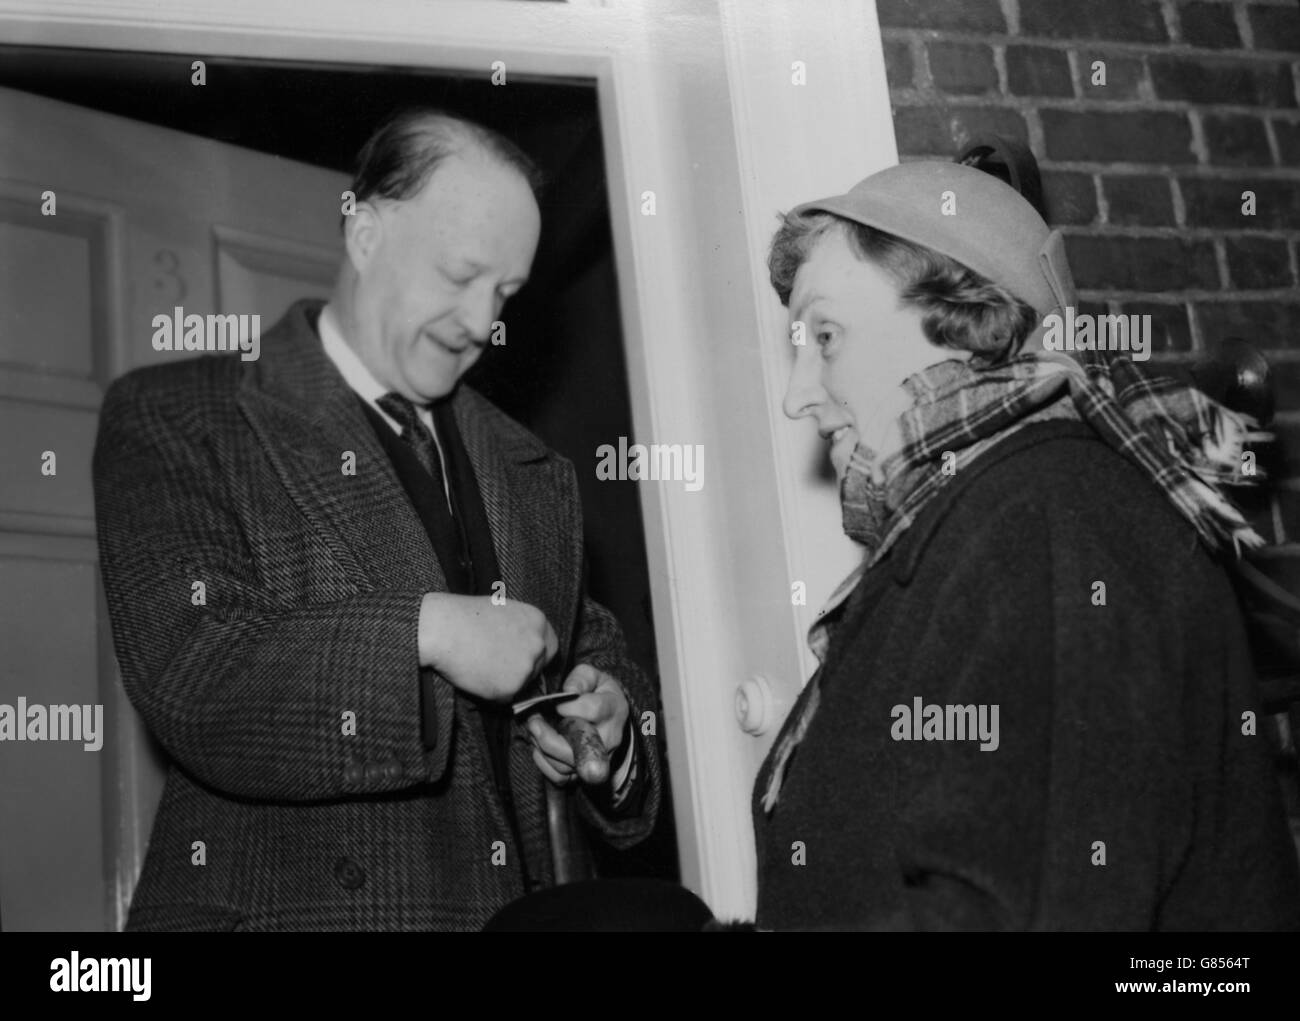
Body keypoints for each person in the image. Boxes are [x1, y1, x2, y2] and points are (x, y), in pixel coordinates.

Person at [92, 109, 660, 932]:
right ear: (365, 234)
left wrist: (611, 726)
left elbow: (589, 656)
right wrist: (427, 631)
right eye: (459, 273)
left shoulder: (535, 468)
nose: (479, 322)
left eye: (503, 292)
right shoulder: (180, 415)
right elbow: (195, 671)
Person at [754, 160, 1300, 930]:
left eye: (827, 335)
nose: (795, 394)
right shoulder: (976, 524)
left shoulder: (1047, 519)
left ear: (965, 317)